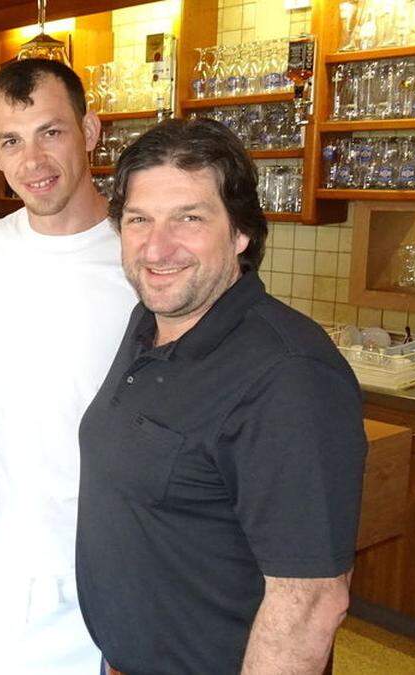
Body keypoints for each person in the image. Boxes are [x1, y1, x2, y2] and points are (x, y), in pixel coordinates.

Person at [77, 117, 366, 674]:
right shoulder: (151, 319)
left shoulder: (289, 376)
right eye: (139, 219)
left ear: (240, 233)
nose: (156, 247)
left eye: (189, 218)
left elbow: (309, 603)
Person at [0, 59, 137, 672]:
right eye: (12, 140)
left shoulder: (143, 255)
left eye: (51, 132)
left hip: (121, 549)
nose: (33, 160)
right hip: (12, 547)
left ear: (91, 130)